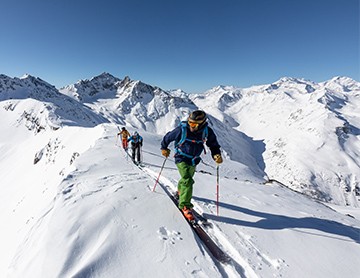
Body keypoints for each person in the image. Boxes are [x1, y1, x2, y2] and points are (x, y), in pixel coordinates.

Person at [160, 110, 223, 221]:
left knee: (187, 178)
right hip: (181, 158)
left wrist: (216, 154)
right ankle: (185, 205)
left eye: (194, 124)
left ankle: (181, 191)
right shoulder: (182, 130)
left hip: (194, 160)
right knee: (187, 180)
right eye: (190, 122)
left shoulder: (207, 131)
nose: (191, 125)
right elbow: (168, 137)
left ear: (202, 123)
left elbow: (213, 144)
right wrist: (164, 148)